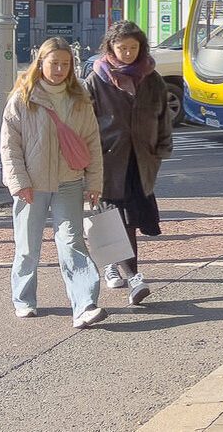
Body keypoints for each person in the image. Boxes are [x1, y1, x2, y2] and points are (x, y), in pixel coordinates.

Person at [1, 37, 107, 328]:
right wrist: (19, 182)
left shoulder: (79, 98)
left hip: (69, 181)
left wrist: (94, 182)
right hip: (31, 185)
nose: (59, 69)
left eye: (65, 64)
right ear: (41, 63)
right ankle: (23, 298)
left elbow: (92, 142)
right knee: (27, 246)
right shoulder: (23, 98)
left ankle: (85, 304)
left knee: (72, 241)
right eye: (54, 63)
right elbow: (10, 146)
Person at [85, 21, 173, 306]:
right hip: (109, 161)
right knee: (118, 221)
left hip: (141, 161)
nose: (127, 53)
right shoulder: (96, 79)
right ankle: (134, 278)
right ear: (110, 47)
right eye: (121, 47)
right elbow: (84, 122)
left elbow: (163, 118)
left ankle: (115, 263)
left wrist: (160, 149)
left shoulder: (152, 78)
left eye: (133, 48)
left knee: (132, 220)